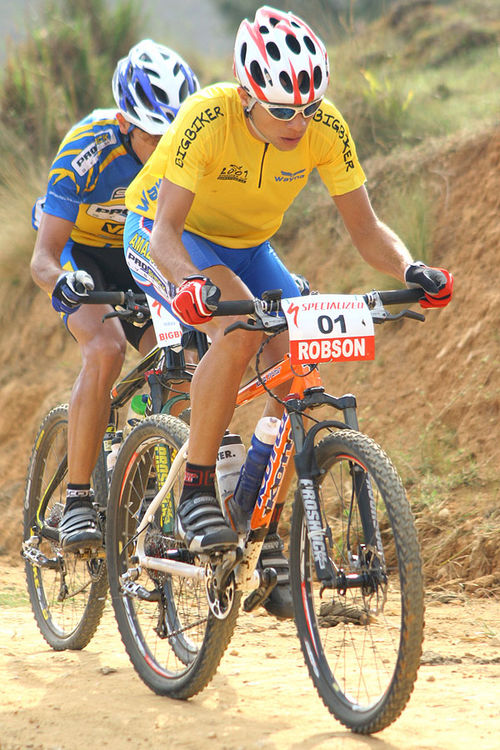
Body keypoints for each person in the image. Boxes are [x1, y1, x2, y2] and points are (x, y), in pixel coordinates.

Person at [123, 6, 453, 619]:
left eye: (308, 107)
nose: (298, 122)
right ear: (248, 95)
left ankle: (260, 519)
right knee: (242, 328)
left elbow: (367, 228)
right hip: (166, 233)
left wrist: (410, 269)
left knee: (300, 352)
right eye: (281, 110)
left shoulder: (323, 125)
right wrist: (191, 284)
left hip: (247, 245)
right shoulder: (207, 117)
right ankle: (197, 485)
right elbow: (166, 229)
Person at [30, 39, 199, 552]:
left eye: (173, 137)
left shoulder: (185, 151)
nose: (164, 149)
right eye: (153, 137)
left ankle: (151, 463)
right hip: (81, 257)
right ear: (125, 122)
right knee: (104, 350)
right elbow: (43, 256)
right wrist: (64, 282)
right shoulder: (88, 148)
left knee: (182, 358)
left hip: (139, 256)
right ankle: (79, 497)